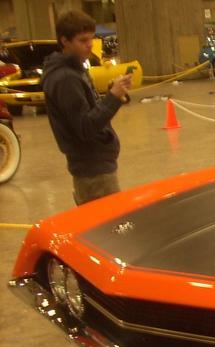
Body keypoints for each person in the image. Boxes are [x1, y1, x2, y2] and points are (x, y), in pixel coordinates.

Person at [42, 10, 131, 205]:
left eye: (91, 38)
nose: (90, 45)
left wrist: (111, 95)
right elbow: (85, 127)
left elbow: (88, 113)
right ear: (64, 41)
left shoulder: (74, 71)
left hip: (95, 166)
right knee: (110, 221)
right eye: (83, 40)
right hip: (94, 172)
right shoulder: (66, 78)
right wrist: (113, 97)